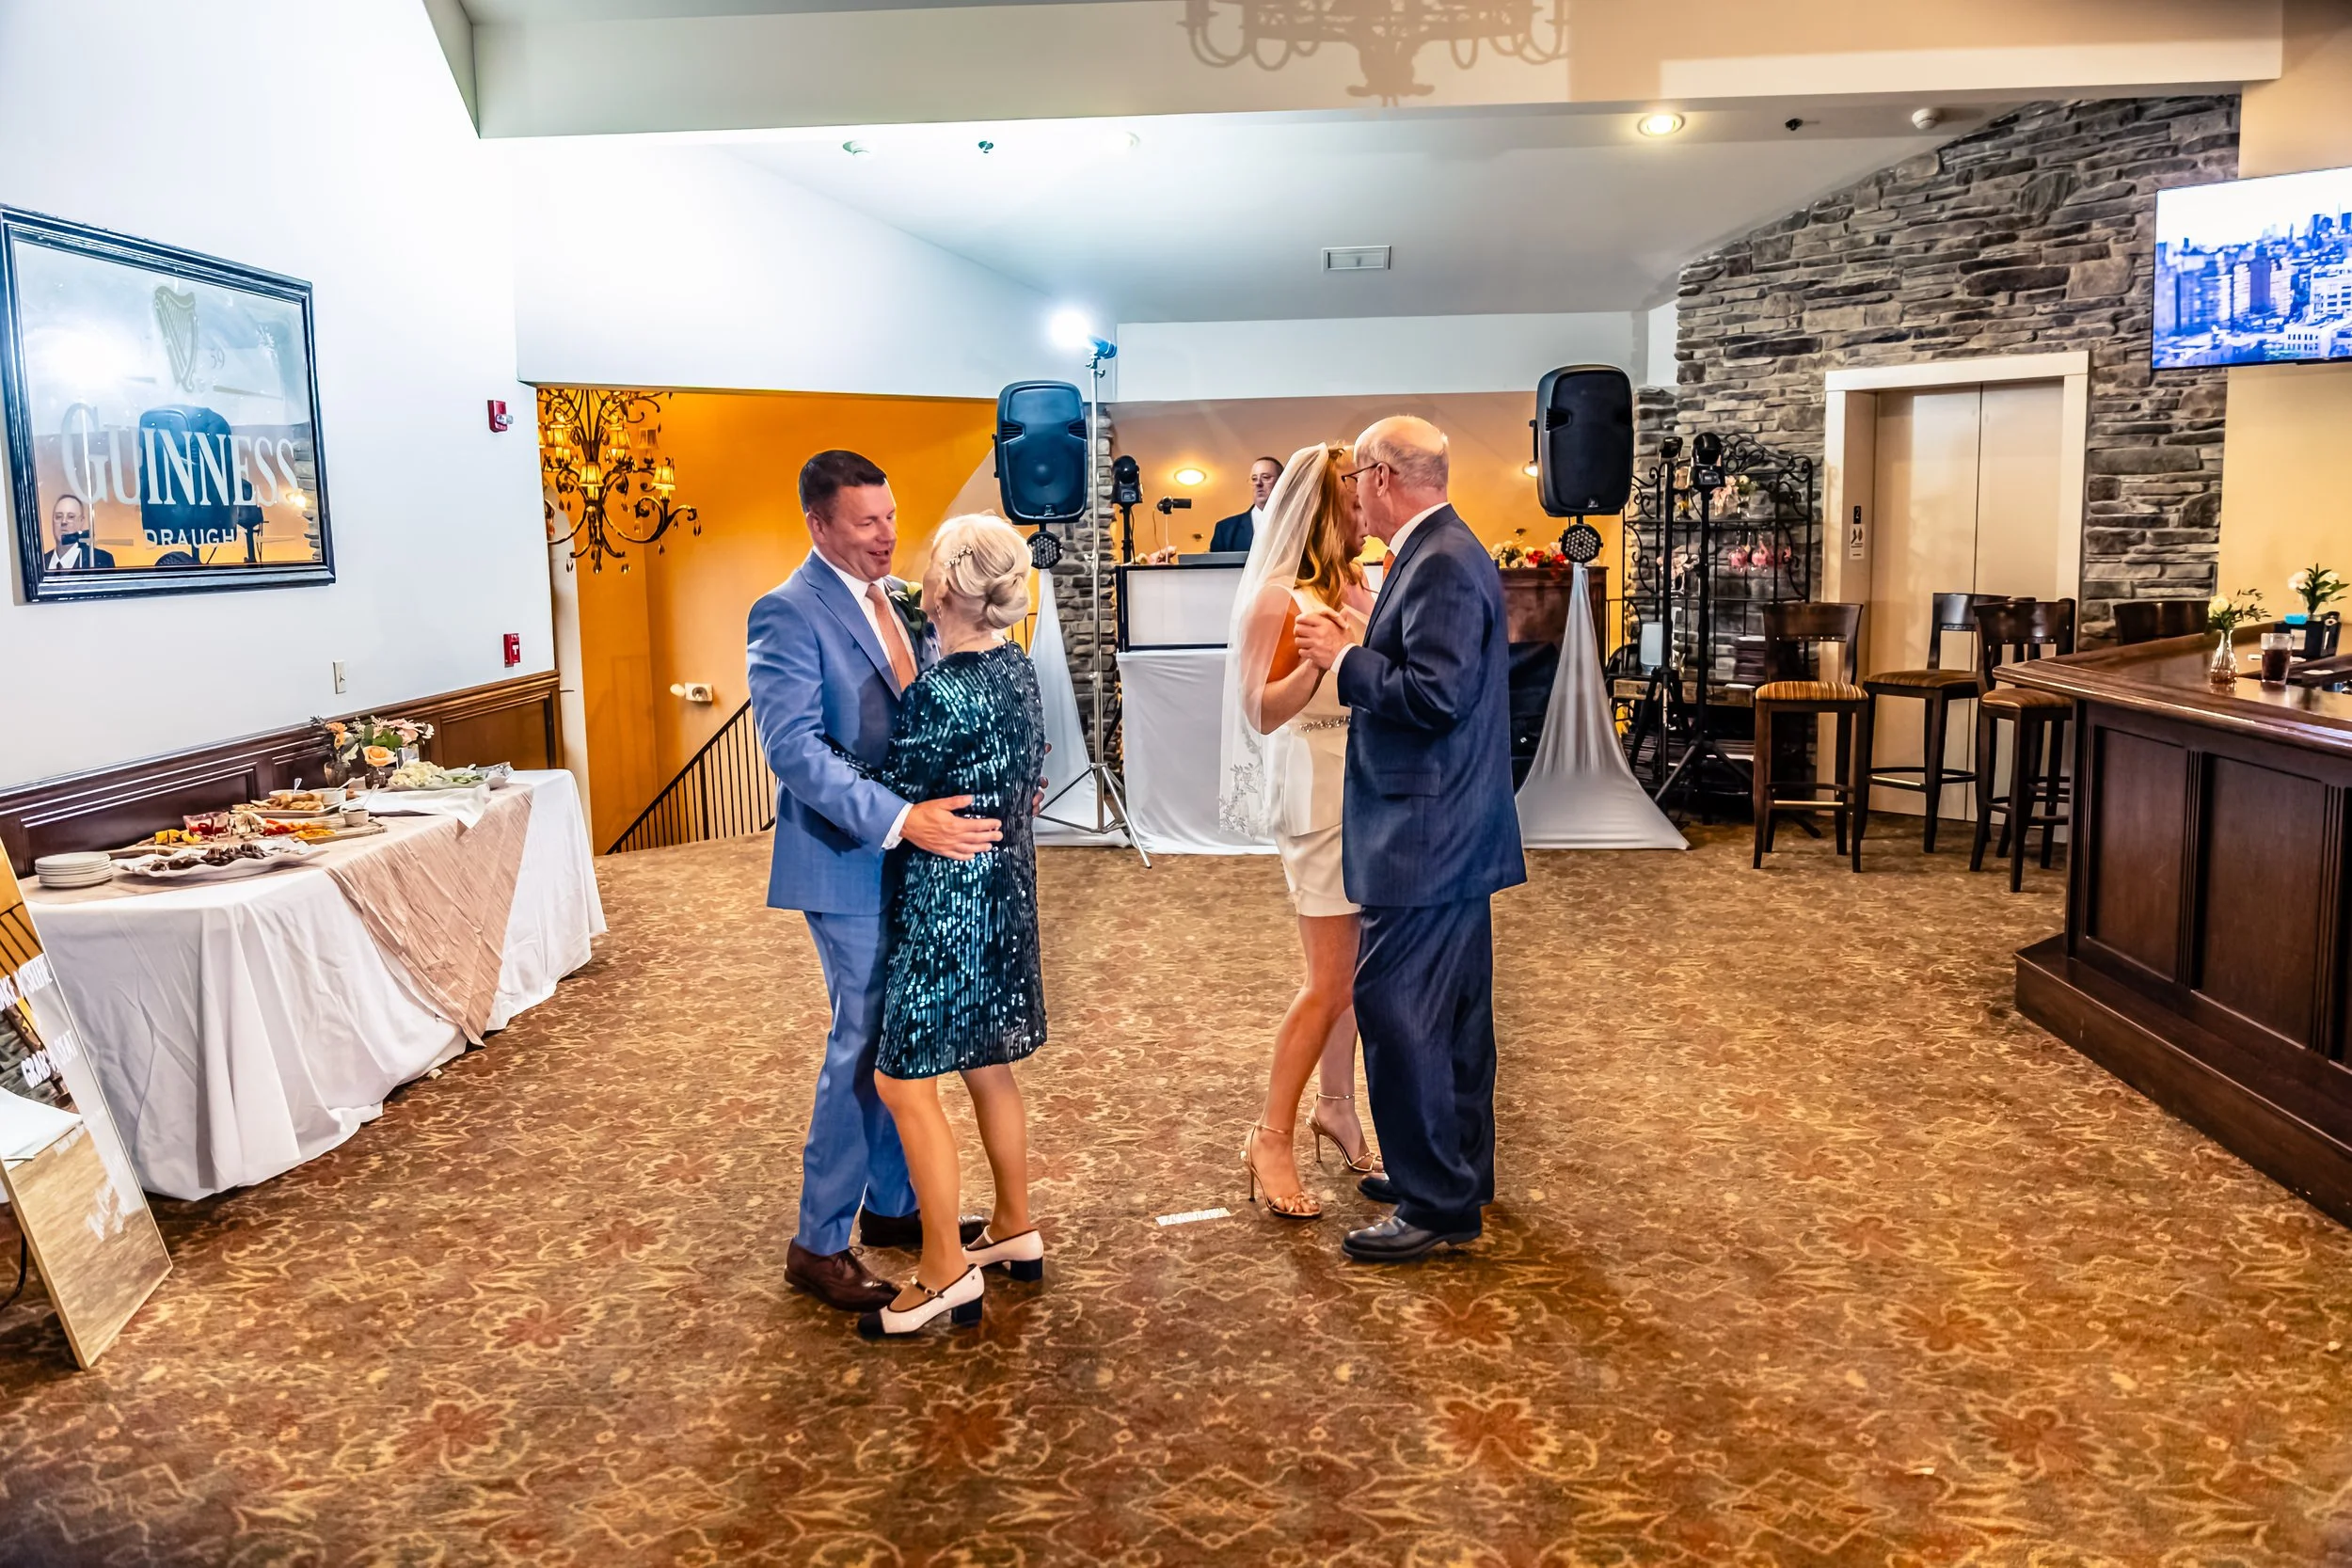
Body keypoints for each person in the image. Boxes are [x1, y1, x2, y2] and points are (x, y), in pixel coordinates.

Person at [746, 451, 1004, 1315]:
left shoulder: (895, 599)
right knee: (862, 1044)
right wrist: (900, 819)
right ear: (819, 525)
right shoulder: (785, 611)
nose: (888, 535)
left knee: (905, 1033)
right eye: (867, 522)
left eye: (892, 517)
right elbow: (792, 748)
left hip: (912, 856)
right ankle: (817, 1243)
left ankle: (893, 1206)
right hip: (848, 855)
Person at [1294, 416, 1525, 1264]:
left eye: (1358, 476)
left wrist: (1346, 656)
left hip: (1426, 829)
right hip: (1449, 823)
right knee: (1455, 1016)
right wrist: (1367, 631)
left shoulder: (1441, 562)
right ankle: (1456, 1169)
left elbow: (1435, 696)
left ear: (1385, 476)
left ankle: (1435, 1201)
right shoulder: (1443, 552)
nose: (1353, 492)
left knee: (1399, 1012)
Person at [856, 515, 1050, 1338]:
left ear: (942, 586)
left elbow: (892, 782)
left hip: (949, 897)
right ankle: (1013, 1223)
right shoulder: (1017, 668)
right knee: (986, 1061)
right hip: (1005, 882)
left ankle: (943, 1270)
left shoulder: (939, 690)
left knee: (902, 1080)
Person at [1219, 444, 1384, 1220]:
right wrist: (1323, 665)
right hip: (1316, 794)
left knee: (1353, 971)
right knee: (1328, 980)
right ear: (1325, 508)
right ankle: (1271, 1133)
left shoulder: (1357, 584)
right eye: (1355, 500)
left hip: (1368, 791)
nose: (1366, 514)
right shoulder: (1275, 599)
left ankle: (1339, 1106)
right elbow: (1259, 712)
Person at [1210, 455, 1284, 554]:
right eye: (1254, 479)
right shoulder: (1225, 529)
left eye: (1265, 477)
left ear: (1282, 482)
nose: (1258, 483)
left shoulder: (1298, 525)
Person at [40, 494, 114, 572]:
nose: (64, 521)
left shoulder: (100, 560)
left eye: (71, 517)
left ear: (81, 521)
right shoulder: (40, 563)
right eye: (58, 516)